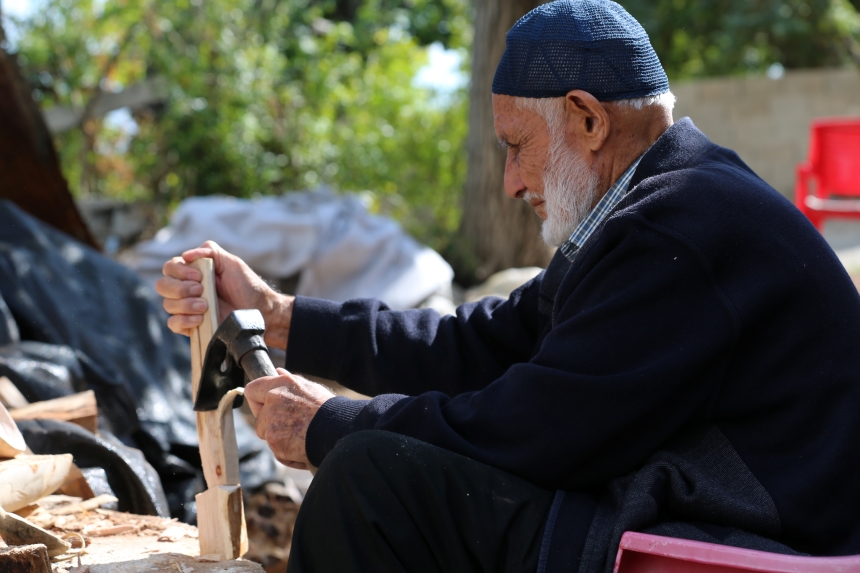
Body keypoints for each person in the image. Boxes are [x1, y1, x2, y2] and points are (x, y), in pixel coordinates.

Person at [158, 1, 860, 571]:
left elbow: (537, 429)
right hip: (708, 510)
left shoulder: (680, 229)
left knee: (372, 480)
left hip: (755, 543)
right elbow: (485, 340)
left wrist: (330, 425)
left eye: (517, 147)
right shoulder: (656, 206)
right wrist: (280, 316)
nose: (510, 181)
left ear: (588, 118)